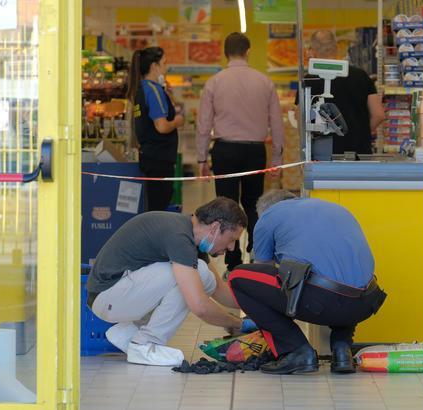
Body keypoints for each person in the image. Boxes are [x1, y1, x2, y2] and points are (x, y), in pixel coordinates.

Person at [227, 190, 387, 374]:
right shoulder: (334, 209)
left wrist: (259, 318)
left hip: (324, 302)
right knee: (342, 277)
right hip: (366, 303)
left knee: (239, 278)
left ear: (264, 211)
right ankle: (342, 349)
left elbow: (264, 271)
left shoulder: (269, 216)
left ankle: (296, 351)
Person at [85, 197, 247, 366]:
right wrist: (239, 323)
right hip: (108, 297)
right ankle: (145, 344)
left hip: (115, 295)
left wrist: (259, 308)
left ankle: (129, 332)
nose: (232, 248)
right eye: (232, 239)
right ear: (215, 227)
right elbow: (199, 306)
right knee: (194, 275)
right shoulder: (179, 237)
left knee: (202, 275)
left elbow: (218, 290)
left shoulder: (189, 234)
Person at [197, 32, 285, 271]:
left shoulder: (214, 83)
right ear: (247, 52)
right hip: (255, 151)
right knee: (254, 204)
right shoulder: (264, 82)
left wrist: (202, 157)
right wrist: (277, 158)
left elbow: (204, 123)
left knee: (226, 205)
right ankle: (259, 256)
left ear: (225, 53)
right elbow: (276, 123)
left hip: (224, 150)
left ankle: (232, 263)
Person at [298, 30, 385, 155]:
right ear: (337, 47)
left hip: (322, 154)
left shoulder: (309, 80)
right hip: (358, 153)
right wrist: (361, 134)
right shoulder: (361, 75)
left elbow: (301, 119)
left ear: (312, 50)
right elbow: (379, 114)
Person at [128, 46, 185, 211]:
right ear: (154, 66)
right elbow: (161, 126)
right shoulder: (153, 90)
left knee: (153, 204)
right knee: (158, 207)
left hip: (150, 157)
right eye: (164, 63)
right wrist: (178, 121)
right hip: (159, 159)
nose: (167, 68)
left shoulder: (142, 89)